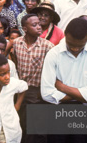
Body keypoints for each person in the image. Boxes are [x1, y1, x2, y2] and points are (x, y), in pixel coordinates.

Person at [41, 18, 87, 143]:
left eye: (80, 45)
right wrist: (84, 94)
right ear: (65, 35)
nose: (75, 49)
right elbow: (47, 94)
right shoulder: (53, 54)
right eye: (71, 44)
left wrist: (62, 87)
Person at [12, 14, 54, 143]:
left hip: (37, 91)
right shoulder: (16, 43)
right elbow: (14, 62)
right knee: (21, 124)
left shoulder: (47, 46)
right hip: (20, 90)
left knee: (37, 129)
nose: (39, 27)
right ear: (25, 28)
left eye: (39, 24)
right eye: (34, 25)